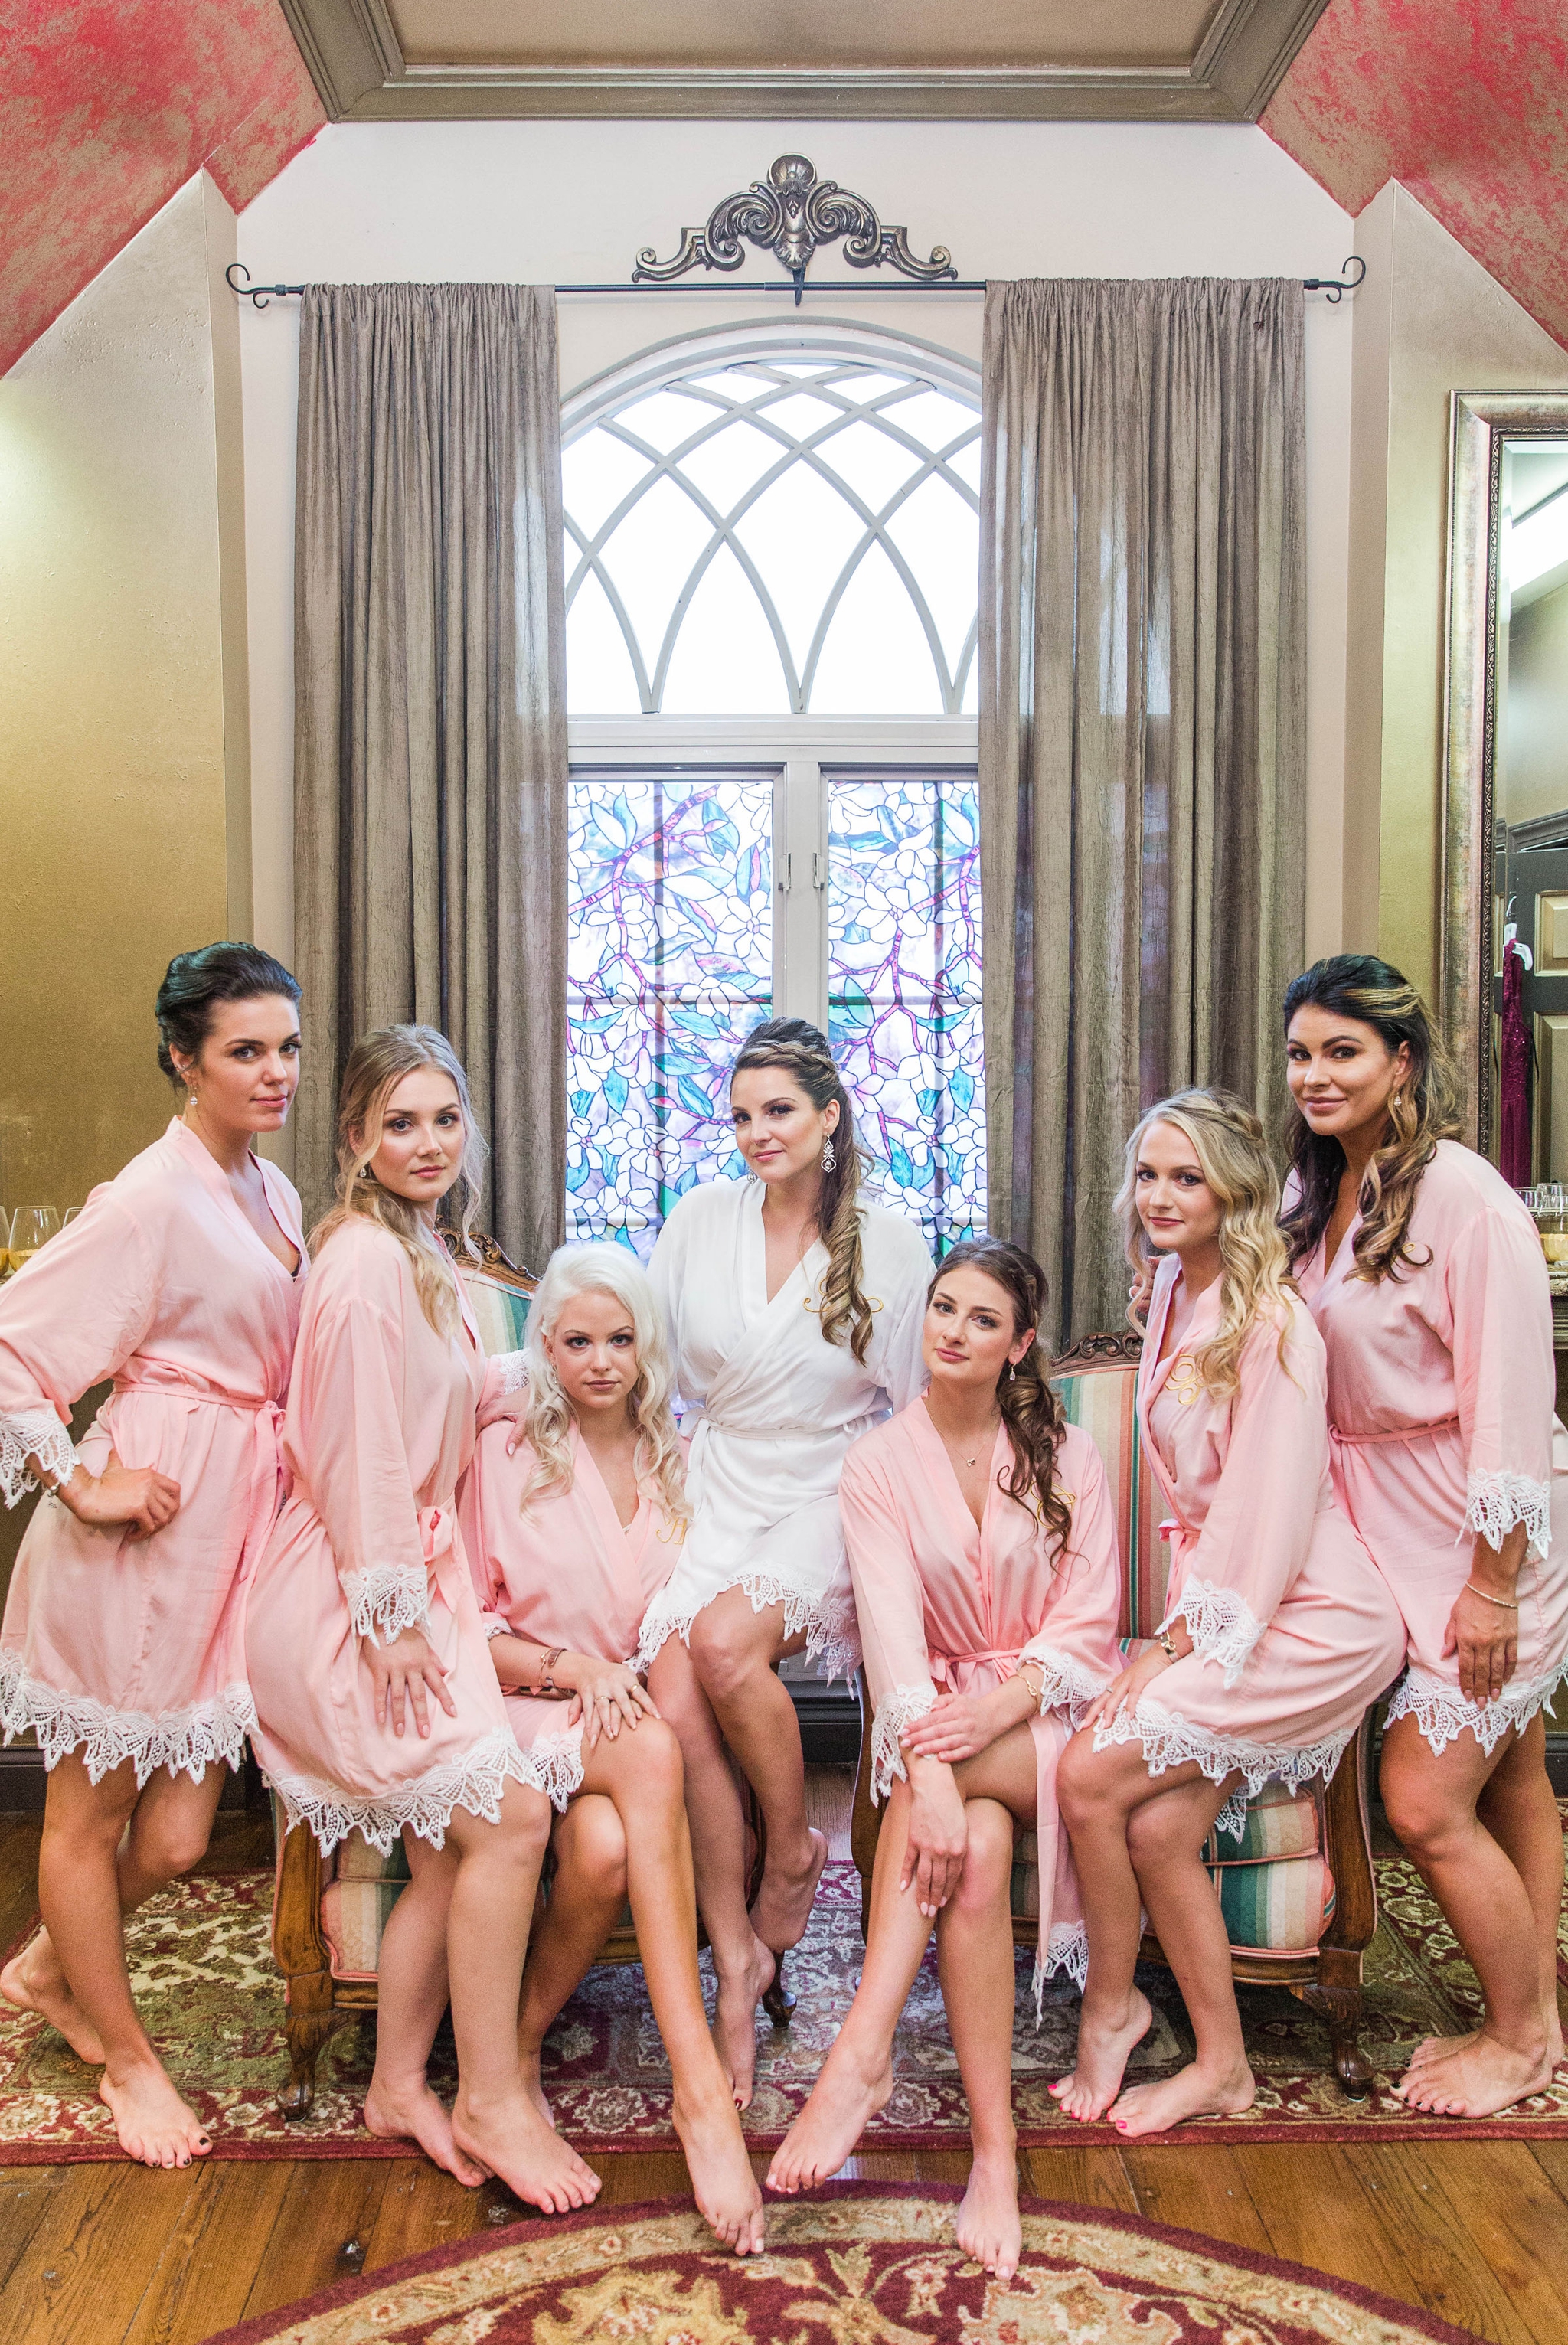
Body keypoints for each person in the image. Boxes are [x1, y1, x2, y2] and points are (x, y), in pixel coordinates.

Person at [245, 1025, 599, 2216]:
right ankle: (493, 2093)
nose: (429, 1142)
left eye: (445, 1119)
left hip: (408, 1585)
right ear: (353, 1139)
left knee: (458, 1839)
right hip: (354, 1597)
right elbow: (355, 1450)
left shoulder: (419, 1250)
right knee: (506, 1819)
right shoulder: (356, 1265)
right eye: (400, 1123)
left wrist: (563, 1371)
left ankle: (400, 2080)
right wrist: (389, 1617)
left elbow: (438, 1393)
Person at [0, 942, 306, 2167]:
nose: (275, 1072)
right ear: (184, 1059)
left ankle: (43, 1969)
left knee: (179, 1835)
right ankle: (127, 2061)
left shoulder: (267, 1190)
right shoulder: (146, 1198)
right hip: (142, 1536)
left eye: (286, 1045)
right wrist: (82, 1478)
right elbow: (13, 1349)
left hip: (232, 1533)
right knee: (90, 1817)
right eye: (245, 1051)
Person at [767, 1238, 1124, 2278]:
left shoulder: (1069, 1454)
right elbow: (892, 1640)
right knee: (965, 1858)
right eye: (942, 1309)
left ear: (1019, 1346)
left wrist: (987, 1719)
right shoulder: (877, 1463)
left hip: (1050, 1709)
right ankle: (996, 2156)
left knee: (961, 1801)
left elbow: (1090, 1619)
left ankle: (859, 2055)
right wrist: (928, 1770)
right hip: (940, 1720)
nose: (953, 1333)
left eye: (981, 1320)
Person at [1054, 1089, 1406, 2138]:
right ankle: (1224, 2066)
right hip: (1242, 1599)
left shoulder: (1277, 1323)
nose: (1161, 1197)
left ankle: (1110, 2015)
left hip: (1315, 1616)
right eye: (1150, 1175)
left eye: (1187, 1177)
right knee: (1162, 1829)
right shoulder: (1169, 1289)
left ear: (1236, 1191)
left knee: (1085, 1773)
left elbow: (1267, 1519)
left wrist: (1164, 1650)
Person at [1286, 954, 1568, 2118]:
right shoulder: (1324, 1194)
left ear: (1403, 1063)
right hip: (1377, 1525)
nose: (1314, 1074)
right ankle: (1540, 2004)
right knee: (1513, 1772)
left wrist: (1495, 1585)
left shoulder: (1465, 1196)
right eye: (1300, 1053)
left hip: (1475, 1529)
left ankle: (1514, 2038)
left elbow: (1507, 1396)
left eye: (1342, 1051)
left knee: (1422, 1800)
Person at [636, 1019, 932, 2100]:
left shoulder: (889, 1241)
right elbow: (650, 1367)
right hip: (716, 1478)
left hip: (826, 1484)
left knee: (723, 1647)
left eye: (781, 1112)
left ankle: (793, 1843)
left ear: (829, 1117)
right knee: (673, 1695)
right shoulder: (700, 1219)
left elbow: (914, 1403)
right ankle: (737, 1962)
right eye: (744, 1116)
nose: (760, 1134)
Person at [457, 1241, 764, 2255]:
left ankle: (507, 2054)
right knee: (649, 1754)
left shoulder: (684, 1452)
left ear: (647, 1347)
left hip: (621, 1720)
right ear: (545, 1344)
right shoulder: (503, 1453)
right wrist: (571, 1669)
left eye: (621, 1339)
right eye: (578, 1340)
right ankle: (700, 2093)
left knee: (603, 1849)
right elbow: (465, 1629)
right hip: (517, 1701)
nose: (600, 1361)